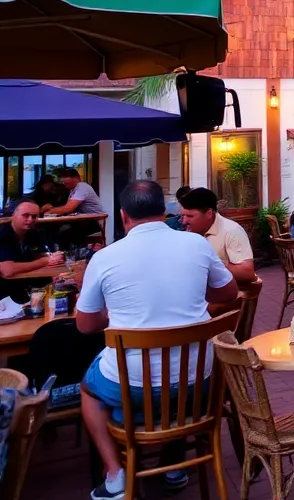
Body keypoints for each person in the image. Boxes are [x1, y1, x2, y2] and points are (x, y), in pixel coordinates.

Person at [77, 181, 237, 500]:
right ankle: (174, 464)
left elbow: (85, 325)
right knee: (174, 385)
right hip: (202, 382)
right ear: (165, 213)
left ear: (123, 217)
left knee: (88, 390)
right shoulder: (196, 245)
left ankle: (115, 475)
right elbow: (229, 293)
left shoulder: (105, 258)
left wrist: (118, 310)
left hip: (136, 388)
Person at [178, 188, 257, 284]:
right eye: (183, 216)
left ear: (209, 213)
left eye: (190, 216)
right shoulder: (189, 230)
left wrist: (211, 264)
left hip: (221, 294)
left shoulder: (231, 230)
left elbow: (247, 273)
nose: (184, 221)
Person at [0, 201, 63, 301]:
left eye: (34, 217)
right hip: (5, 294)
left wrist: (50, 257)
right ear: (14, 215)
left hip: (26, 285)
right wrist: (44, 261)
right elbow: (7, 270)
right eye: (26, 215)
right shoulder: (3, 235)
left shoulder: (33, 233)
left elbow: (39, 254)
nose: (30, 220)